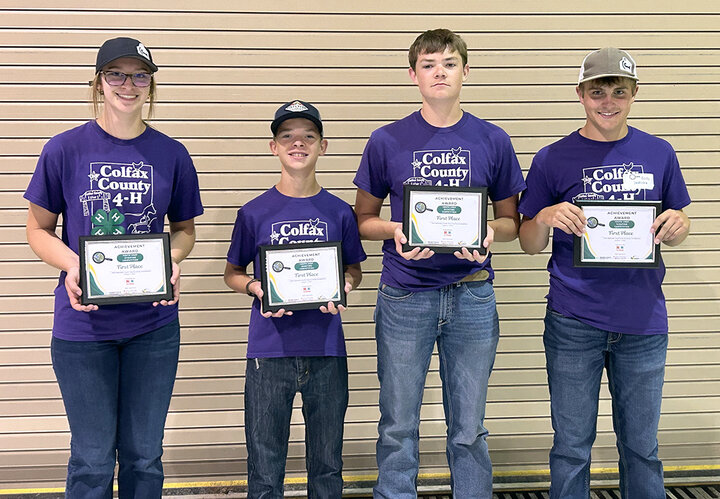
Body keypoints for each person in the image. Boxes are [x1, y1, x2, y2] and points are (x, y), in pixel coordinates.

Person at [24, 37, 203, 498]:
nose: (129, 84)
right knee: (92, 459)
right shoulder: (63, 149)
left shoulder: (172, 154)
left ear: (151, 85)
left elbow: (184, 230)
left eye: (140, 75)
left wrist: (174, 262)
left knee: (145, 456)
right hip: (83, 331)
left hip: (154, 328)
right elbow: (38, 230)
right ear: (99, 83)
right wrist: (72, 266)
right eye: (117, 74)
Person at [353, 29, 526, 497]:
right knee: (397, 424)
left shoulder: (493, 139)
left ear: (465, 72)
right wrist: (394, 230)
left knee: (469, 426)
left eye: (449, 63)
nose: (439, 72)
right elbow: (363, 220)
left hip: (472, 294)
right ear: (413, 75)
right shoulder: (386, 140)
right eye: (429, 65)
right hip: (405, 295)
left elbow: (511, 221)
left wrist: (491, 232)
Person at [517, 48, 691, 498]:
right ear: (580, 95)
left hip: (643, 323)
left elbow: (680, 223)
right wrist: (543, 217)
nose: (608, 101)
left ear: (634, 94)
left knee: (641, 448)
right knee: (572, 447)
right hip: (574, 321)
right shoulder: (552, 157)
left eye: (619, 91)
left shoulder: (659, 152)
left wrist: (678, 225)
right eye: (598, 91)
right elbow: (529, 244)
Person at [224, 100, 366, 498]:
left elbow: (354, 268)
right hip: (268, 352)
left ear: (323, 146)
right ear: (274, 147)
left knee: (327, 467)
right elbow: (232, 274)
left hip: (326, 350)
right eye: (287, 136)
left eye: (308, 136)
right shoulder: (254, 212)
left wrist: (347, 286)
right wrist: (256, 287)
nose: (297, 143)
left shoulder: (339, 211)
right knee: (265, 468)